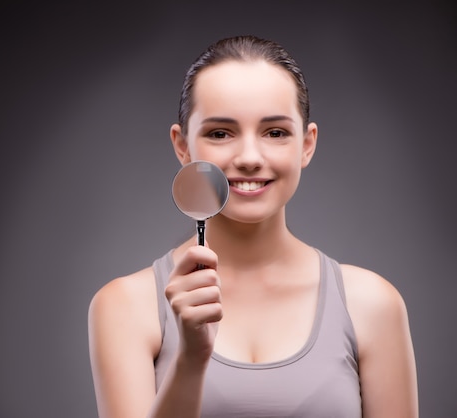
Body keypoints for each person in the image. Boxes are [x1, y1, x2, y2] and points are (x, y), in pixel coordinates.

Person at [87, 35, 418, 418]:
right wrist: (191, 361)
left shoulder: (373, 305)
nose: (248, 157)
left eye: (275, 132)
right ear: (183, 147)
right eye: (220, 133)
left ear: (306, 145)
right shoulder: (126, 307)